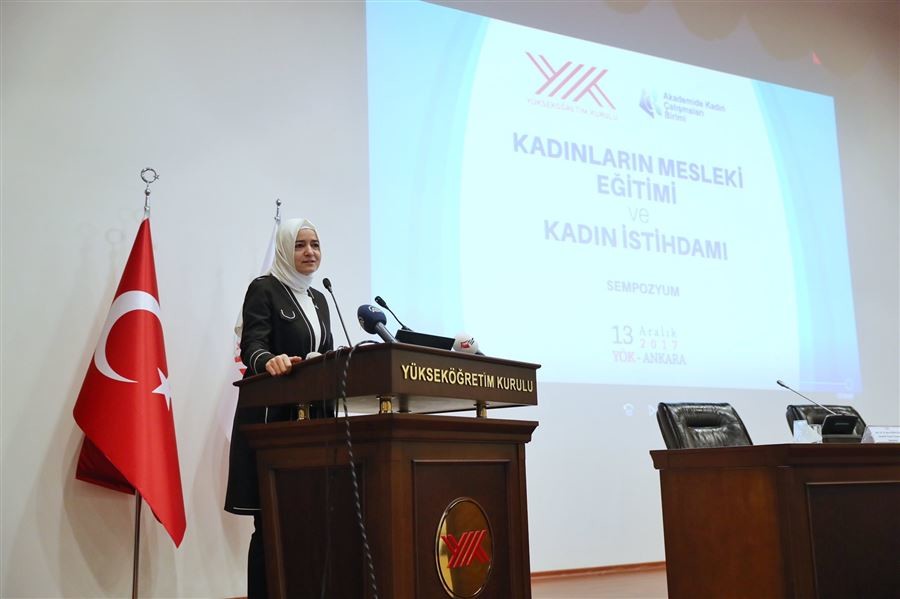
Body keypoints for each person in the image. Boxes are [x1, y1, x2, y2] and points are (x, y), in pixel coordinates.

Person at [224, 217, 334, 598]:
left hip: (313, 422)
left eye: (315, 244)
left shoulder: (320, 299)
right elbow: (252, 345)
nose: (309, 252)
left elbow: (324, 354)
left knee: (308, 522)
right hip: (275, 421)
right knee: (270, 525)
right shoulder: (265, 289)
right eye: (300, 245)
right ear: (285, 250)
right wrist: (268, 360)